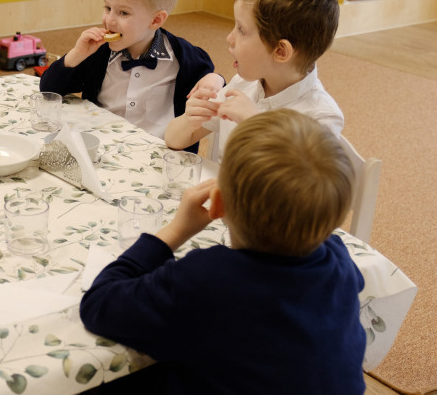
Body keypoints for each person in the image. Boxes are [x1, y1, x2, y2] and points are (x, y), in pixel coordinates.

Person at [80, 109, 366, 394]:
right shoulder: (338, 259)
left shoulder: (208, 278)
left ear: (218, 204)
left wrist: (176, 231)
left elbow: (100, 305)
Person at [39, 0, 219, 147]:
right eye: (108, 8)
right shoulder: (98, 53)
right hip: (103, 145)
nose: (109, 20)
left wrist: (215, 79)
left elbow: (210, 87)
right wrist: (77, 53)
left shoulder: (186, 58)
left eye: (123, 13)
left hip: (158, 151)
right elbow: (49, 90)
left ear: (156, 20)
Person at [164, 0, 343, 158]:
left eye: (241, 30)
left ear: (281, 51)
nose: (230, 37)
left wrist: (254, 123)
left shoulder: (322, 117)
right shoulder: (242, 85)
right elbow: (173, 140)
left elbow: (303, 175)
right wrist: (188, 120)